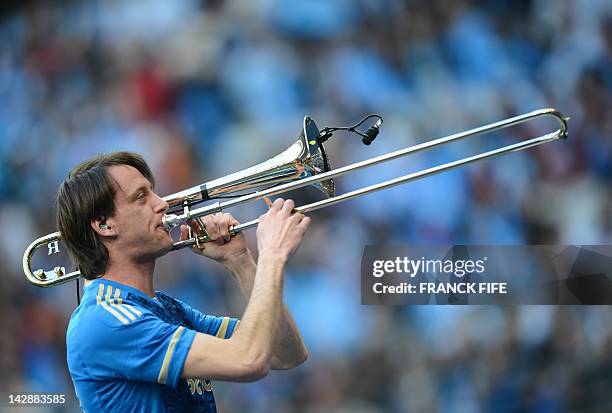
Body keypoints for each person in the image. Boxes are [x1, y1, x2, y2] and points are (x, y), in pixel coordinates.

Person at [57, 152, 310, 412]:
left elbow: (285, 354)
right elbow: (248, 360)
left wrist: (241, 261)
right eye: (141, 197)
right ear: (104, 225)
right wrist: (272, 255)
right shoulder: (104, 319)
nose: (162, 204)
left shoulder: (166, 308)